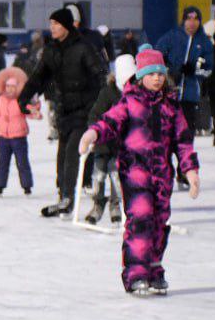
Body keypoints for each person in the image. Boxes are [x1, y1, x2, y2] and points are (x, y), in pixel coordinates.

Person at [80, 48, 199, 296]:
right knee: (141, 218)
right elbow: (110, 121)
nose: (157, 78)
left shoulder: (171, 106)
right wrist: (93, 133)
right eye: (151, 73)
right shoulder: (130, 101)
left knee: (158, 221)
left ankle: (154, 269)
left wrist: (191, 170)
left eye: (160, 73)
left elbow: (184, 141)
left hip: (162, 175)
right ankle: (135, 273)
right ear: (140, 75)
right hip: (135, 170)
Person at [16, 7, 108, 217]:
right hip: (64, 110)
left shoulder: (84, 48)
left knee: (72, 154)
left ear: (66, 25)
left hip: (85, 109)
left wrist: (100, 105)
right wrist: (23, 98)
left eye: (56, 24)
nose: (52, 28)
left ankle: (68, 198)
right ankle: (63, 196)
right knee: (62, 155)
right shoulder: (52, 50)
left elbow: (101, 75)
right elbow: (38, 77)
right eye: (51, 24)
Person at [156, 7, 213, 189]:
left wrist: (195, 71)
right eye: (189, 18)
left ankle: (184, 172)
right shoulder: (172, 37)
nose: (192, 22)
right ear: (183, 20)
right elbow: (156, 57)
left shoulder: (204, 42)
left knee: (185, 136)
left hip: (190, 96)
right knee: (165, 135)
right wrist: (169, 72)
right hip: (169, 94)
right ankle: (164, 171)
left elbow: (209, 69)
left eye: (196, 18)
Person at [82, 54, 135, 225]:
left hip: (122, 147)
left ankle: (115, 204)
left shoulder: (136, 95)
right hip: (103, 144)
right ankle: (98, 204)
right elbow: (95, 115)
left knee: (116, 175)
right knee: (98, 175)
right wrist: (94, 133)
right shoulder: (108, 92)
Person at [0, 66, 36, 195]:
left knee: (22, 162)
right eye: (7, 86)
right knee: (2, 162)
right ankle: (0, 186)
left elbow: (31, 112)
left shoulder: (21, 100)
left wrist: (35, 111)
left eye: (13, 87)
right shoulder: (1, 100)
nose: (10, 89)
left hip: (18, 136)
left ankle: (26, 186)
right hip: (3, 137)